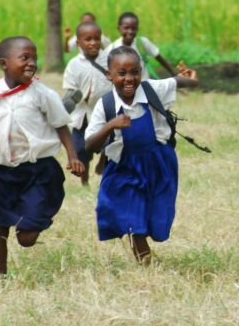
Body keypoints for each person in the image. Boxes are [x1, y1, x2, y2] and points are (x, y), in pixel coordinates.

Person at [0, 36, 84, 276]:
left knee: (26, 238)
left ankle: (35, 222)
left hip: (38, 171)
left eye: (34, 58)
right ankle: (0, 278)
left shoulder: (42, 93)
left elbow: (61, 125)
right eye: (25, 58)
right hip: (0, 172)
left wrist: (72, 155)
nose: (31, 63)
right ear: (4, 63)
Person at [84, 46, 199, 265]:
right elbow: (89, 144)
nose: (129, 79)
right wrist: (110, 126)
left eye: (135, 72)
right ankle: (146, 263)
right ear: (109, 75)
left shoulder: (152, 89)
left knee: (156, 217)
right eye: (122, 73)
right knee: (132, 218)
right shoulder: (105, 105)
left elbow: (178, 81)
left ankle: (146, 240)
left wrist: (193, 80)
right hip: (125, 167)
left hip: (158, 164)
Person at [62, 21, 113, 185]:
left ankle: (104, 164)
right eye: (88, 39)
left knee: (112, 143)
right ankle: (84, 182)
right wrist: (77, 97)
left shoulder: (110, 60)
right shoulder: (74, 65)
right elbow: (70, 90)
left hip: (106, 112)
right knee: (81, 149)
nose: (93, 43)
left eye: (97, 39)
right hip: (82, 114)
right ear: (78, 43)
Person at [105, 12, 175, 78]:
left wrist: (174, 74)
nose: (130, 31)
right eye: (126, 28)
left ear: (137, 29)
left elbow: (159, 58)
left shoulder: (142, 43)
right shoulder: (113, 48)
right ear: (119, 29)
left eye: (134, 28)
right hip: (125, 87)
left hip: (144, 84)